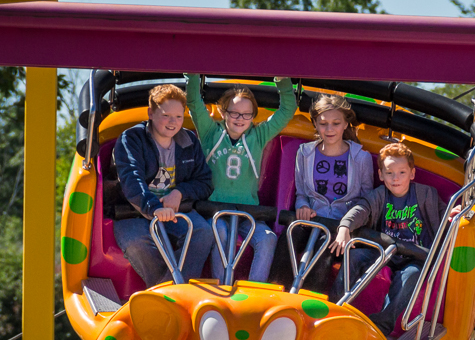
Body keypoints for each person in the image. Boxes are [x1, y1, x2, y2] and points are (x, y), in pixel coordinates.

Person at [330, 142, 460, 337]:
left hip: (415, 256)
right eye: (389, 173)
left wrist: (452, 215)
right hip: (382, 252)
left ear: (412, 174)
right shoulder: (379, 195)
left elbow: (443, 216)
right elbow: (361, 209)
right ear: (381, 175)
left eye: (401, 172)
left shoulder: (426, 195)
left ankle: (382, 324)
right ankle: (334, 308)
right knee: (354, 256)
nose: (395, 178)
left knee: (412, 276)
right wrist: (344, 227)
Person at [186, 74, 297, 283]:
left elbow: (286, 110)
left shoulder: (259, 135)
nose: (240, 118)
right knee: (221, 233)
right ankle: (221, 285)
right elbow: (193, 101)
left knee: (267, 239)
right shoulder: (210, 132)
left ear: (253, 116)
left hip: (248, 212)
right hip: (215, 210)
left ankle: (255, 288)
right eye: (234, 113)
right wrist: (193, 72)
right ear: (223, 112)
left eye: (247, 114)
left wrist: (282, 80)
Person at [112, 83, 214, 287]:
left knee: (203, 232)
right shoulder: (132, 139)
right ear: (151, 112)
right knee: (136, 243)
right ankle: (171, 292)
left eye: (178, 116)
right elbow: (132, 178)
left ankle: (169, 295)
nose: (173, 122)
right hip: (134, 210)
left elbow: (204, 181)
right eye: (166, 115)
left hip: (176, 209)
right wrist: (154, 207)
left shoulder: (188, 140)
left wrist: (179, 192)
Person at [270, 93, 374, 290]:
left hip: (341, 227)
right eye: (323, 123)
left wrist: (347, 226)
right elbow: (301, 193)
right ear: (315, 124)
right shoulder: (305, 153)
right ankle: (276, 290)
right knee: (289, 235)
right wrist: (302, 206)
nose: (329, 129)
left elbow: (366, 202)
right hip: (313, 220)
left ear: (345, 124)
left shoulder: (361, 158)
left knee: (325, 245)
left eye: (336, 123)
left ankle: (310, 302)